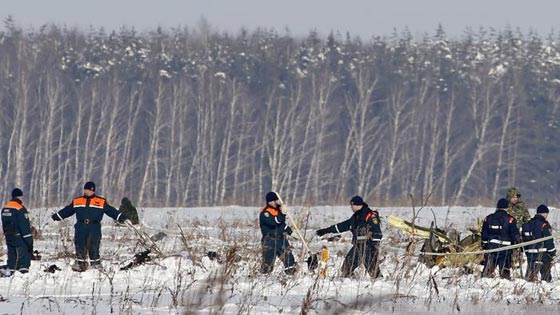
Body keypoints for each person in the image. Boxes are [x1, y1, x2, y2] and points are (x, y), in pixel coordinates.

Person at [51, 181, 128, 272]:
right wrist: (56, 217)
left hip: (94, 227)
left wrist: (122, 218)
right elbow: (67, 211)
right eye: (86, 190)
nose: (87, 192)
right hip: (81, 226)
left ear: (93, 191)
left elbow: (111, 211)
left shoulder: (101, 201)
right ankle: (80, 264)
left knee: (94, 245)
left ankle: (95, 265)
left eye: (90, 190)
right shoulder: (77, 201)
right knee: (80, 245)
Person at [316, 196, 382, 278]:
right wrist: (327, 230)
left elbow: (377, 232)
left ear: (358, 205)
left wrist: (374, 246)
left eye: (352, 205)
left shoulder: (370, 216)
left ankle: (380, 282)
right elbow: (343, 226)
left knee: (373, 269)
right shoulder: (356, 217)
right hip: (358, 246)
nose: (351, 207)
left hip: (368, 246)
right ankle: (350, 280)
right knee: (346, 268)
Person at [259, 191, 296, 275]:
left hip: (281, 239)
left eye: (276, 200)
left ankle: (291, 275)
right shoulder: (265, 213)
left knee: (288, 257)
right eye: (273, 201)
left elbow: (281, 225)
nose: (275, 202)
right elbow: (274, 222)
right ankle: (264, 280)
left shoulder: (279, 209)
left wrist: (290, 232)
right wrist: (282, 214)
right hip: (269, 240)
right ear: (269, 201)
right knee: (268, 263)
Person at [481, 198, 519, 280]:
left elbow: (484, 234)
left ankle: (485, 282)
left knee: (488, 271)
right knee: (505, 272)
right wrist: (515, 246)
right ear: (507, 207)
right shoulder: (511, 219)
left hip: (492, 248)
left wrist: (485, 245)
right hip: (506, 249)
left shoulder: (488, 218)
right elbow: (514, 235)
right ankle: (505, 283)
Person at [1, 188, 33, 276]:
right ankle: (23, 273)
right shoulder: (20, 208)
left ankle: (10, 271)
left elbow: (4, 223)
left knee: (12, 254)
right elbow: (24, 226)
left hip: (8, 235)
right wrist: (29, 241)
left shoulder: (5, 207)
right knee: (23, 255)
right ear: (20, 196)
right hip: (19, 237)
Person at [521, 204, 556, 282]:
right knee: (546, 278)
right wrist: (552, 253)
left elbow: (524, 240)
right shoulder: (544, 225)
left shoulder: (527, 224)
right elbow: (549, 240)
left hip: (531, 254)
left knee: (530, 277)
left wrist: (527, 251)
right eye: (546, 213)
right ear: (544, 213)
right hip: (543, 255)